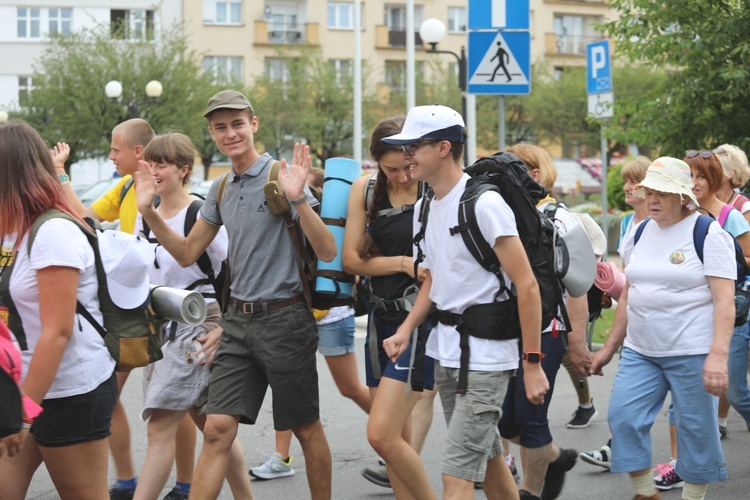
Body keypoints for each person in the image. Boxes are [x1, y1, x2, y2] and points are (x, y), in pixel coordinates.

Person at [133, 89, 336, 500]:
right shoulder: (221, 187)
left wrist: (298, 199)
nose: (230, 134)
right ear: (211, 133)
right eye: (220, 127)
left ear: (253, 125)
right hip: (237, 323)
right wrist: (150, 212)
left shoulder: (282, 175)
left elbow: (328, 250)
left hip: (285, 319)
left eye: (237, 124)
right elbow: (189, 251)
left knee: (305, 428)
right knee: (217, 429)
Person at [382, 104, 549, 499]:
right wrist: (406, 329)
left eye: (413, 147)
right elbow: (433, 279)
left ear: (443, 148)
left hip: (489, 358)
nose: (406, 157)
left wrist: (532, 363)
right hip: (447, 354)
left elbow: (526, 285)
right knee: (488, 459)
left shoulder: (485, 205)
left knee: (456, 475)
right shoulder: (426, 207)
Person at [54, 119, 198, 500]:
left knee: (177, 408)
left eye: (115, 149)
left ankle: (183, 484)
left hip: (170, 311)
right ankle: (128, 479)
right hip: (132, 311)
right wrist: (61, 176)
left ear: (139, 153)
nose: (110, 155)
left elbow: (199, 260)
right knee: (142, 399)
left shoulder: (180, 200)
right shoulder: (126, 187)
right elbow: (85, 219)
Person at [590, 157, 734, 500]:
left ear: (683, 197)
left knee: (696, 431)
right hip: (642, 349)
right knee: (623, 416)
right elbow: (629, 293)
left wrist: (717, 356)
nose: (652, 199)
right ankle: (646, 493)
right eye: (649, 192)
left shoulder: (707, 233)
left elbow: (724, 301)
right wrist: (609, 348)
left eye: (662, 193)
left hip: (693, 350)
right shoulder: (638, 230)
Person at [129, 133, 252, 500]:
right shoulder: (144, 213)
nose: (152, 170)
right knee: (213, 426)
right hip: (163, 326)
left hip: (199, 321)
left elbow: (236, 270)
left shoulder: (199, 213)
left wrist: (226, 326)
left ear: (184, 170)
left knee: (161, 426)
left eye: (161, 163)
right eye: (149, 163)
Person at [0, 120, 118, 499]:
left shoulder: (52, 232)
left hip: (69, 392)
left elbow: (58, 332)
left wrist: (22, 413)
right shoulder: (15, 231)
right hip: (29, 389)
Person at [249, 166, 370, 483]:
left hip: (330, 313)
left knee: (350, 388)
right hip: (296, 312)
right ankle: (281, 458)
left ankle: (393, 434)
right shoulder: (284, 215)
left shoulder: (316, 215)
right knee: (284, 388)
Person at [341, 116, 437, 496]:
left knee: (381, 436)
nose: (401, 176)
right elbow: (350, 260)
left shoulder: (433, 189)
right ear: (376, 163)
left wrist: (404, 269)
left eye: (408, 167)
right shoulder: (364, 190)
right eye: (390, 169)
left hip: (420, 321)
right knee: (398, 437)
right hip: (381, 320)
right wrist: (403, 264)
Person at [496, 143, 588, 500]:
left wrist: (577, 340)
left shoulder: (559, 218)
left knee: (532, 420)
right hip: (504, 330)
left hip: (546, 332)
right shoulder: (498, 212)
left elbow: (577, 286)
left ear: (534, 174)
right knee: (505, 421)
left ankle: (529, 493)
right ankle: (555, 459)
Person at [580, 155, 651, 471]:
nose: (626, 187)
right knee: (625, 398)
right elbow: (628, 270)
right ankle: (614, 449)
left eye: (633, 181)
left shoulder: (665, 220)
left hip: (666, 322)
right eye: (626, 181)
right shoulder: (626, 222)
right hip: (634, 314)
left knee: (684, 411)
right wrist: (613, 292)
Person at [714, 144, 750, 223]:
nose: (708, 172)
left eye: (715, 168)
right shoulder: (700, 200)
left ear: (730, 174)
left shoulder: (743, 207)